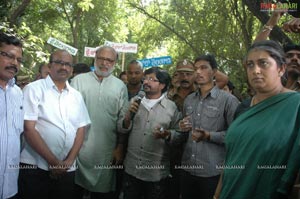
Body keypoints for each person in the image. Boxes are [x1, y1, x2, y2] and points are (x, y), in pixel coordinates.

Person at [215, 40, 300, 199]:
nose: (255, 70)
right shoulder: (244, 107)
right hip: (230, 191)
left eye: (263, 63)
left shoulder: (296, 105)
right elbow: (231, 158)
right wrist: (216, 195)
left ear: (281, 69)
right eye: (250, 65)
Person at [18, 49, 91, 199]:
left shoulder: (76, 96)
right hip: (35, 166)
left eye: (68, 64)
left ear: (71, 69)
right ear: (50, 66)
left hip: (67, 169)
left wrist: (69, 161)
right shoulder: (33, 89)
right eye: (59, 63)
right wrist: (53, 162)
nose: (64, 67)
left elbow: (81, 129)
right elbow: (28, 128)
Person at [177, 54, 239, 199]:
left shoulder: (228, 101)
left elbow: (236, 136)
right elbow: (184, 132)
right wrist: (182, 126)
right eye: (196, 69)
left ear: (214, 71)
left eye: (203, 68)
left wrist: (209, 136)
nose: (198, 72)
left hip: (213, 173)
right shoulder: (189, 100)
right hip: (187, 169)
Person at [71, 46, 128, 199]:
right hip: (77, 149)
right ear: (95, 59)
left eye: (109, 60)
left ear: (115, 63)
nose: (104, 63)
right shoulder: (78, 81)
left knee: (102, 193)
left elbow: (123, 120)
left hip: (106, 151)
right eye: (101, 58)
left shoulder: (120, 86)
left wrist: (120, 147)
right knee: (74, 191)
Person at [121, 67, 181, 199]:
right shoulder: (134, 102)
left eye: (152, 79)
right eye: (146, 78)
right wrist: (126, 118)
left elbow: (179, 135)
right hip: (131, 169)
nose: (146, 82)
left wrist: (167, 134)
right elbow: (121, 129)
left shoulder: (171, 107)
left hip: (156, 174)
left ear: (162, 85)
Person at [0, 32, 23, 199]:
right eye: (9, 56)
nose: (14, 63)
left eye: (19, 60)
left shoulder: (18, 93)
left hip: (10, 186)